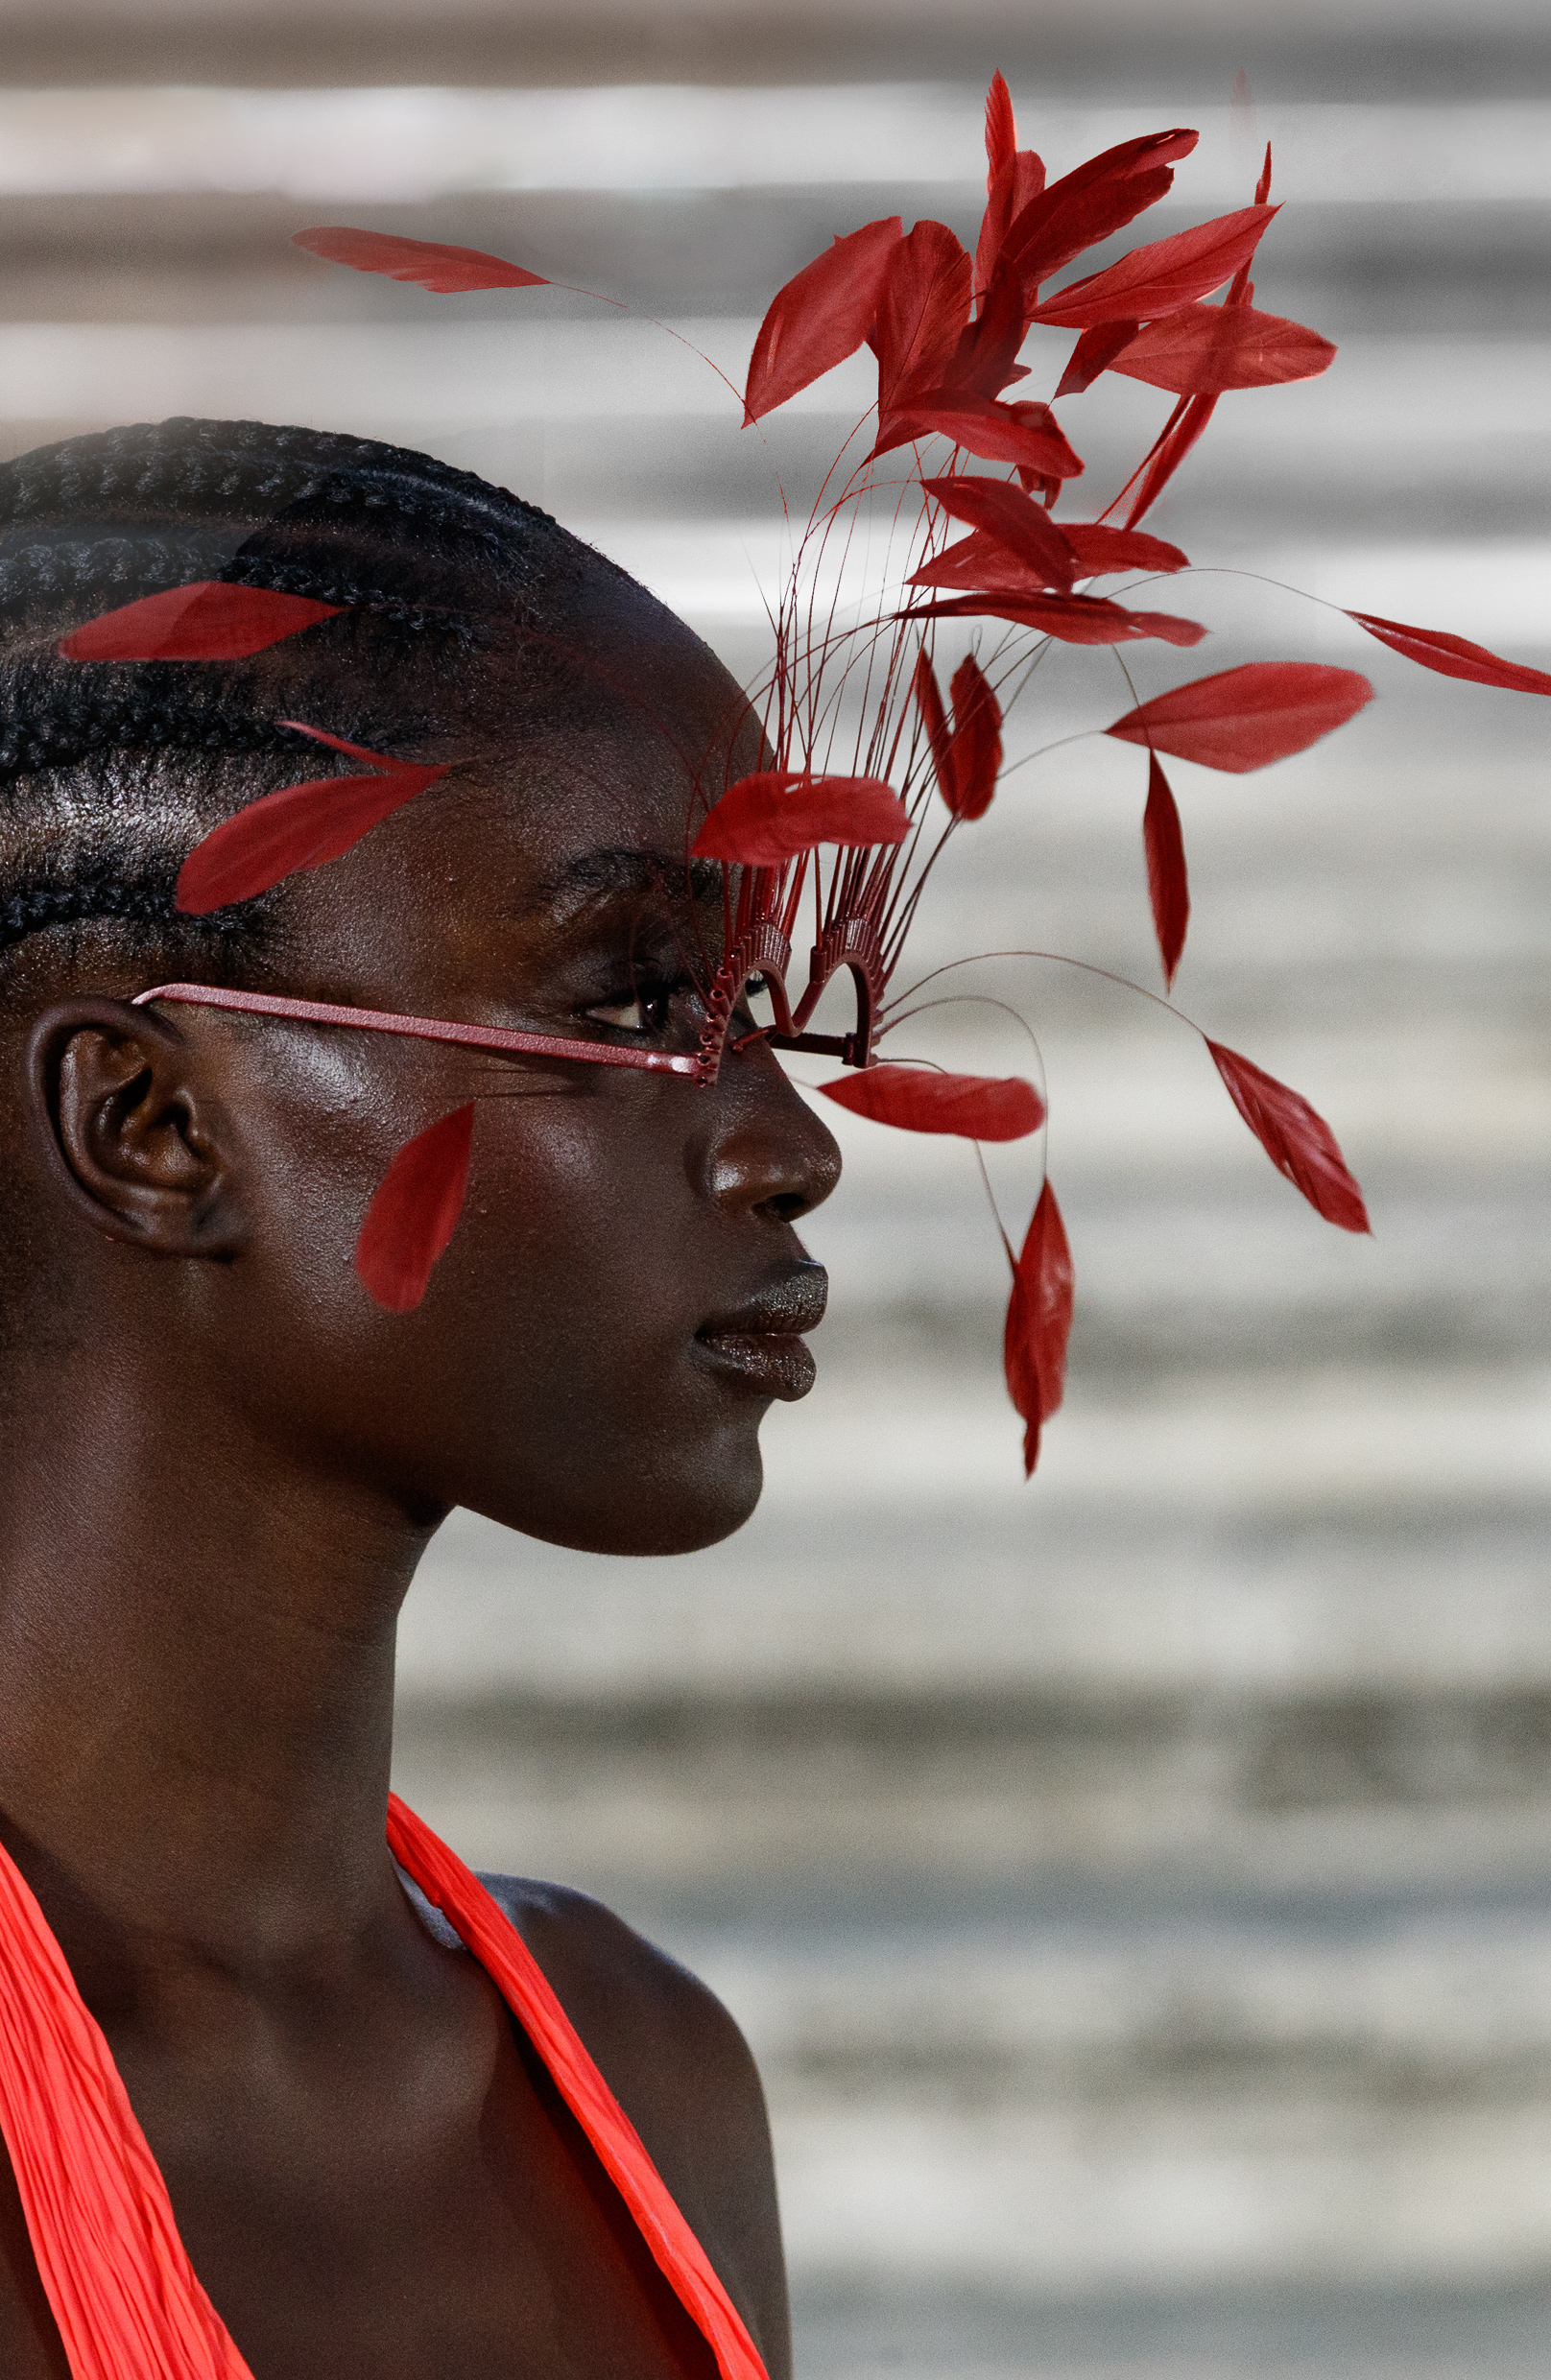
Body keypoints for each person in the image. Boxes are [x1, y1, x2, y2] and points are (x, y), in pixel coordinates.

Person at [0, 417, 835, 2377]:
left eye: (759, 1023)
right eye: (632, 1003)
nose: (783, 1146)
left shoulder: (641, 2073)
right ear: (150, 1128)